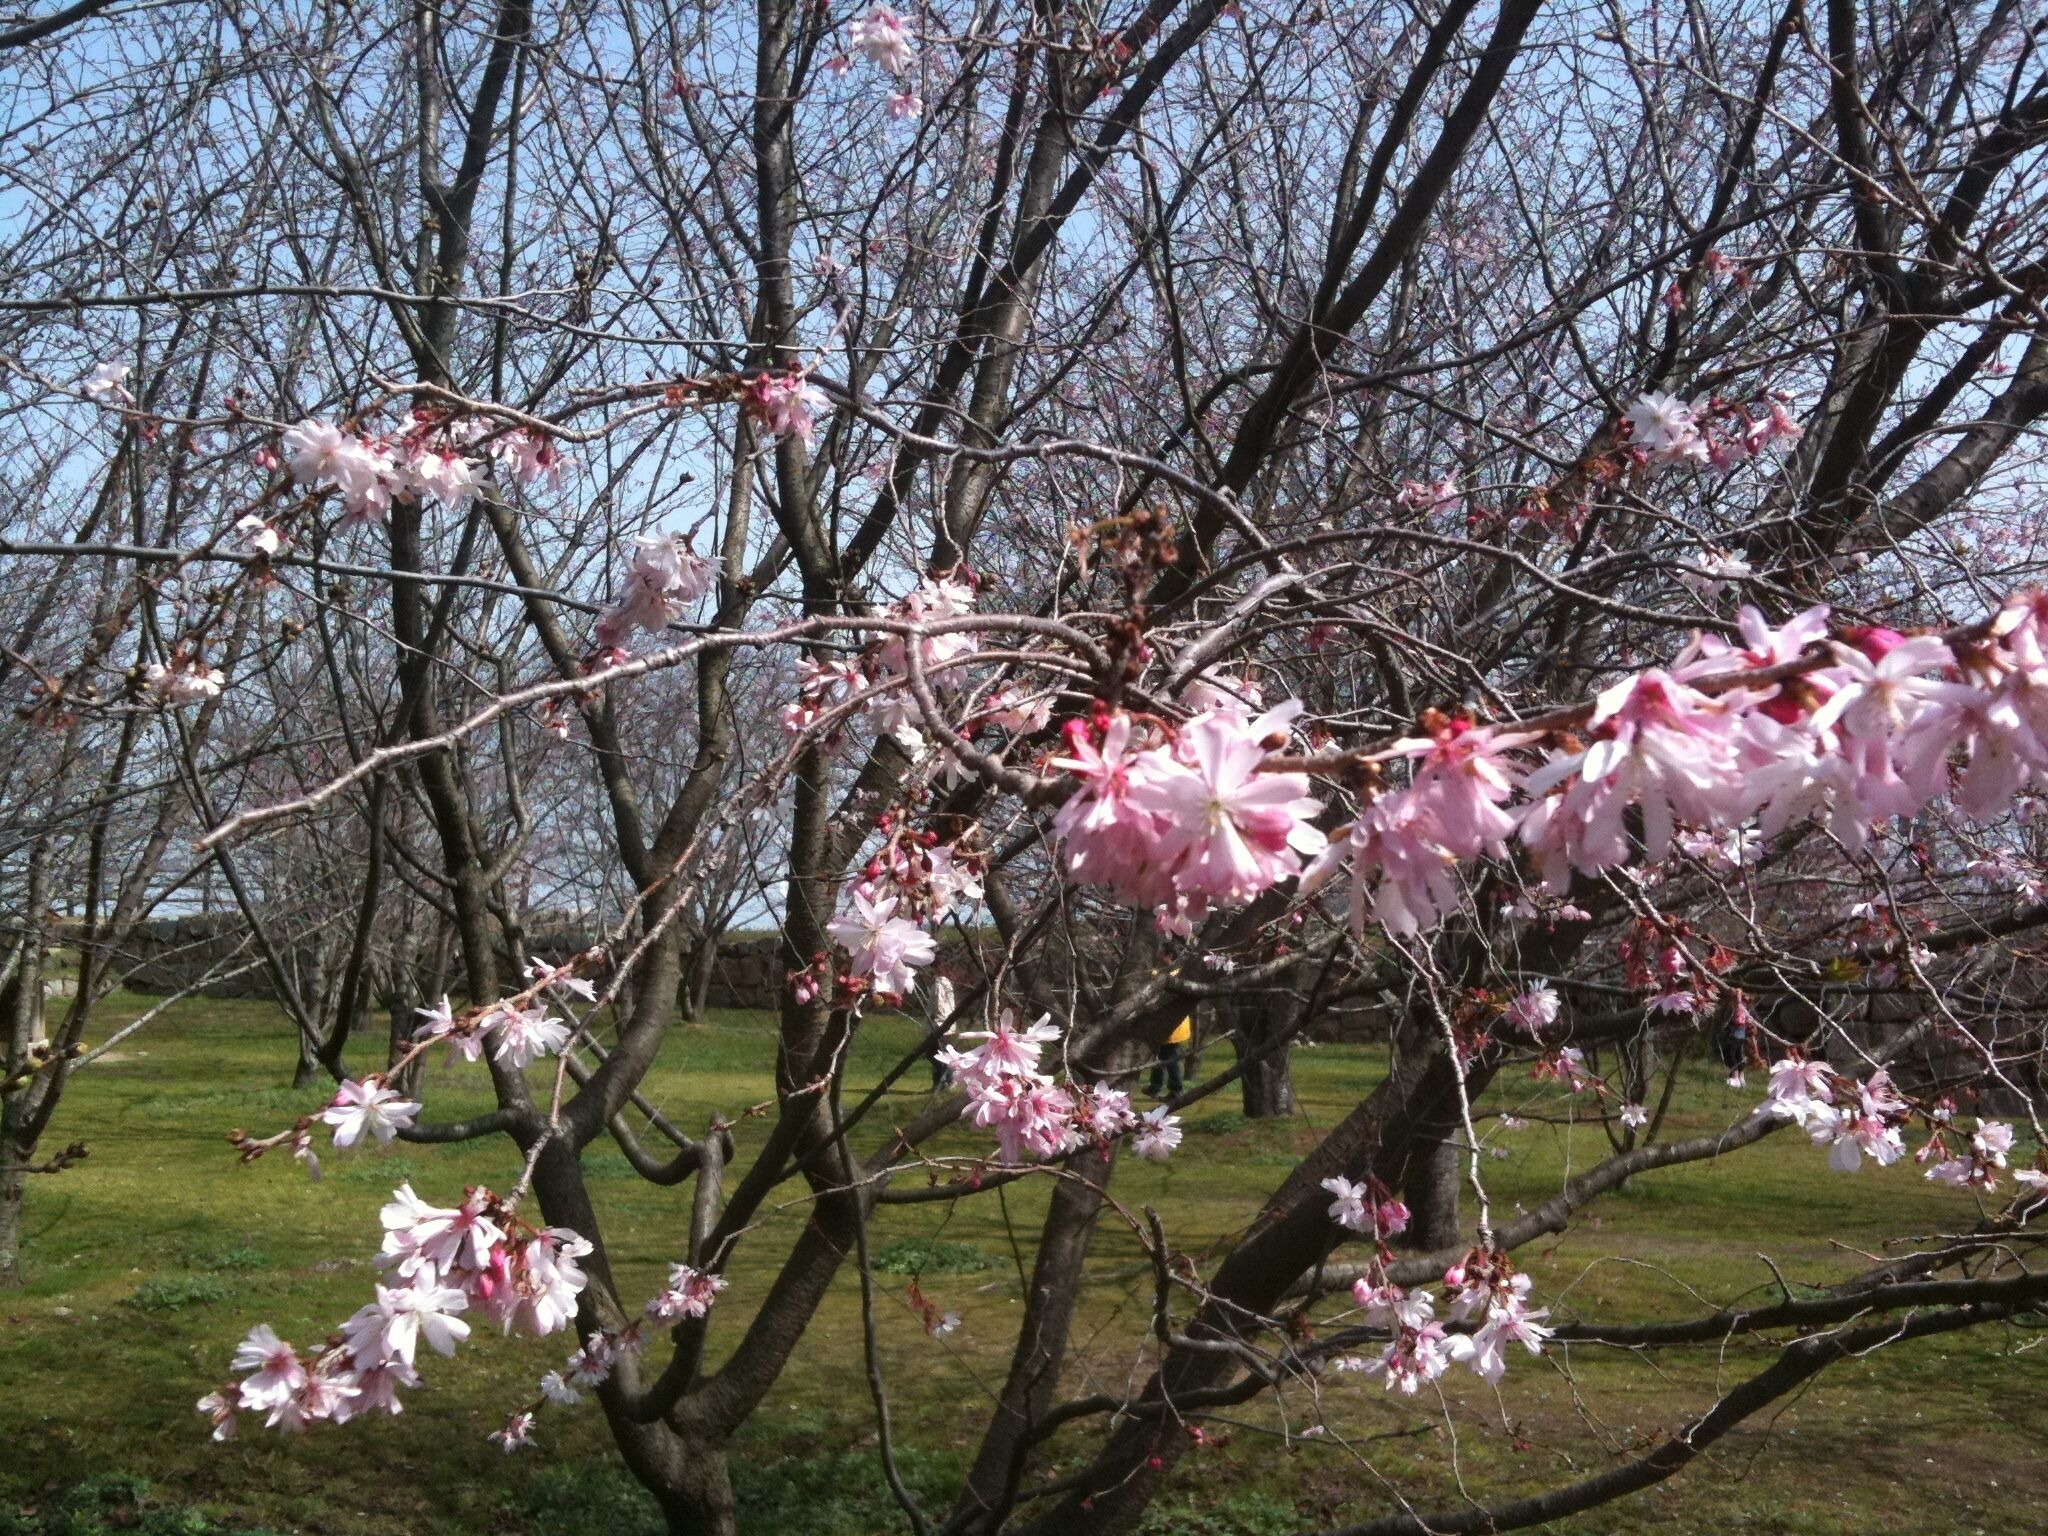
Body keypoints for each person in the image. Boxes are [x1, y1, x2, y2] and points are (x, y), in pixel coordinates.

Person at [1147, 1014, 1192, 1099]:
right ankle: (1155, 1086)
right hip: (1175, 1027)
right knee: (1161, 1056)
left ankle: (1176, 1090)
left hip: (1170, 1028)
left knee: (1170, 1059)